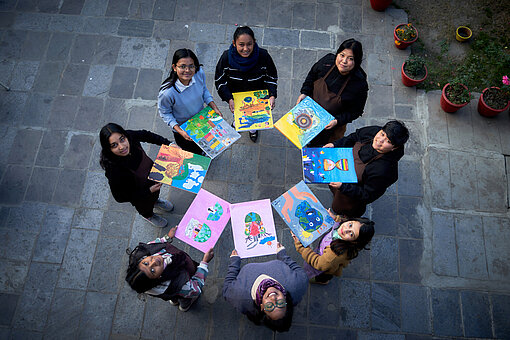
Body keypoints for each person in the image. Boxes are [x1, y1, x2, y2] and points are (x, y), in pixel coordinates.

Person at [325, 120, 409, 217]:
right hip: (339, 170)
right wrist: (335, 144)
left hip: (349, 196)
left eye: (388, 141)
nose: (380, 140)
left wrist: (343, 187)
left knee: (341, 209)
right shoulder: (373, 131)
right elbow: (354, 137)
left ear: (394, 148)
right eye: (382, 134)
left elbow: (367, 195)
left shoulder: (384, 171)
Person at [99, 123, 174, 228]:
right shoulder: (113, 170)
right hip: (140, 194)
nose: (122, 146)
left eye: (122, 139)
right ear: (108, 149)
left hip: (152, 176)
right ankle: (149, 216)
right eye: (114, 145)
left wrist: (169, 144)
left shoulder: (130, 136)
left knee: (155, 194)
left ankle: (156, 201)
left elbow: (146, 135)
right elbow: (119, 197)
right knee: (145, 207)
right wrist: (148, 191)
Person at [297, 38, 368, 147]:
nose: (344, 61)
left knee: (321, 148)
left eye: (350, 59)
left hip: (330, 126)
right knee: (303, 136)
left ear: (356, 62)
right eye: (342, 55)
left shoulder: (359, 84)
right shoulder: (327, 62)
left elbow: (356, 111)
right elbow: (312, 75)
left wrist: (337, 121)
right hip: (310, 112)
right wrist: (304, 92)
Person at [223, 242, 307, 332]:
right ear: (286, 301)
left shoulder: (239, 297)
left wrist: (234, 263)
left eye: (270, 306)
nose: (274, 298)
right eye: (280, 304)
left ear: (262, 307)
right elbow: (298, 270)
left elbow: (227, 287)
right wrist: (283, 255)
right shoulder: (298, 284)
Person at [125, 227, 214, 312]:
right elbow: (195, 288)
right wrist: (204, 263)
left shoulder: (142, 254)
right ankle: (185, 305)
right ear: (159, 278)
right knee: (183, 297)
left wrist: (167, 237)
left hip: (169, 290)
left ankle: (174, 299)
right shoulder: (180, 284)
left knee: (173, 295)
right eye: (153, 271)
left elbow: (154, 244)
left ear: (140, 261)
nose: (153, 262)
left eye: (145, 263)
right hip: (183, 280)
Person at [215, 26, 278, 143]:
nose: (245, 49)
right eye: (241, 44)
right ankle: (236, 123)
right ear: (234, 44)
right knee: (238, 114)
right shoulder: (226, 58)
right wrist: (229, 98)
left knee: (255, 117)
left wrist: (272, 95)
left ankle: (253, 130)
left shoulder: (264, 56)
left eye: (249, 44)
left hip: (258, 97)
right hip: (236, 97)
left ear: (254, 42)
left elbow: (271, 77)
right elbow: (220, 80)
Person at [158, 48, 222, 155]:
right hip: (184, 128)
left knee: (205, 143)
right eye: (182, 66)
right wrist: (180, 131)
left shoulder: (199, 73)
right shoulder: (167, 93)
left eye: (191, 66)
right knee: (192, 151)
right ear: (174, 67)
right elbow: (165, 113)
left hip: (201, 120)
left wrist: (214, 107)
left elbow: (204, 90)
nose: (187, 70)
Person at [293, 210, 375, 285]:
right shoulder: (341, 226)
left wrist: (301, 246)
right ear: (351, 220)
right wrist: (335, 218)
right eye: (350, 225)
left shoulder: (335, 254)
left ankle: (321, 280)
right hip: (324, 254)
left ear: (354, 242)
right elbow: (341, 222)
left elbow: (319, 263)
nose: (346, 229)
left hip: (321, 268)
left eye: (351, 234)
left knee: (317, 276)